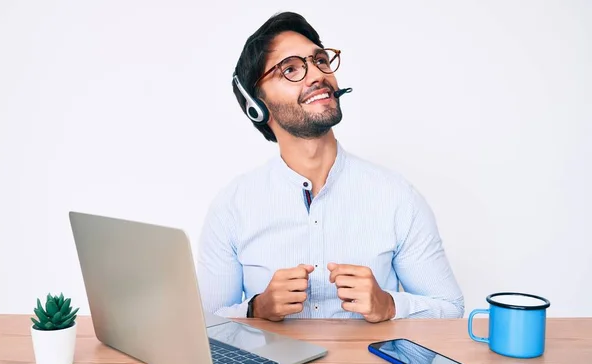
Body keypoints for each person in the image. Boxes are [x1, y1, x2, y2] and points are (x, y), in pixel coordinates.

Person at [196, 11, 464, 323]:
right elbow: (204, 321)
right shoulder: (232, 207)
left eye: (320, 61)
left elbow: (451, 309)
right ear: (257, 107)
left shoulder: (397, 197)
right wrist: (256, 309)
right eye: (291, 69)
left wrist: (390, 306)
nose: (317, 75)